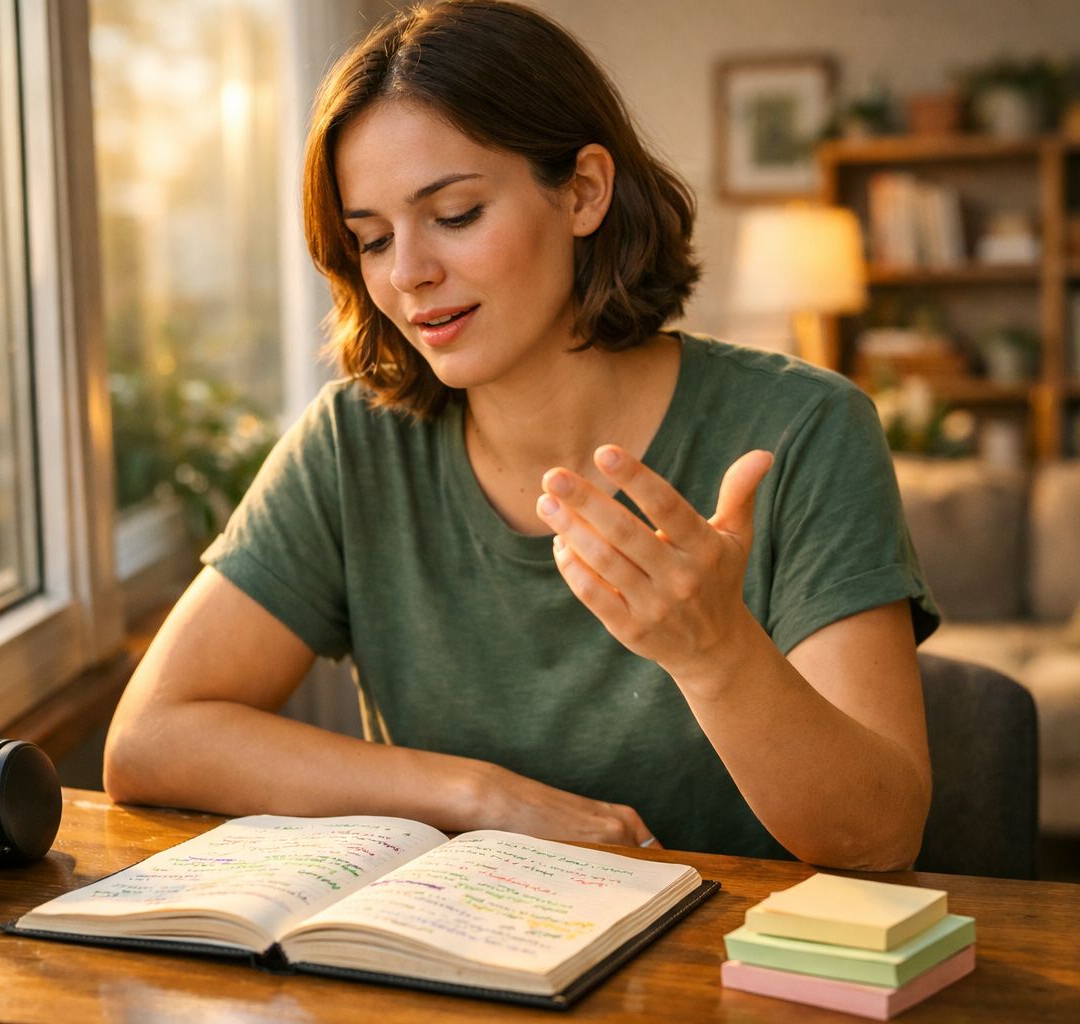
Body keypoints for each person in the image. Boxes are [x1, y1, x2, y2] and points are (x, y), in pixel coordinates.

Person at [103, 0, 940, 870]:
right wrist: (478, 797)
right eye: (373, 239)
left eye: (456, 214)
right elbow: (150, 739)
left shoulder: (803, 430)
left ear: (583, 191)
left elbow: (880, 839)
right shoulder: (356, 445)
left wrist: (718, 655)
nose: (410, 273)